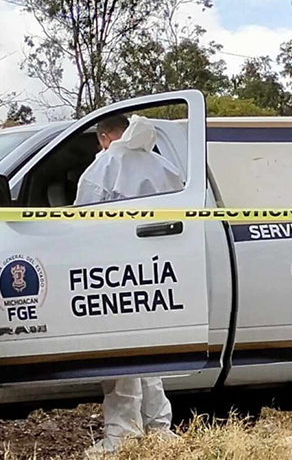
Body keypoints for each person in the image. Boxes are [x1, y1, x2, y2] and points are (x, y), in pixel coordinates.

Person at [75, 113, 184, 458]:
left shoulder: (105, 166)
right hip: (156, 268)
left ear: (105, 137)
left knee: (120, 355)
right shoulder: (162, 165)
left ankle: (123, 434)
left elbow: (79, 222)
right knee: (148, 352)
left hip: (114, 271)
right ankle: (158, 429)